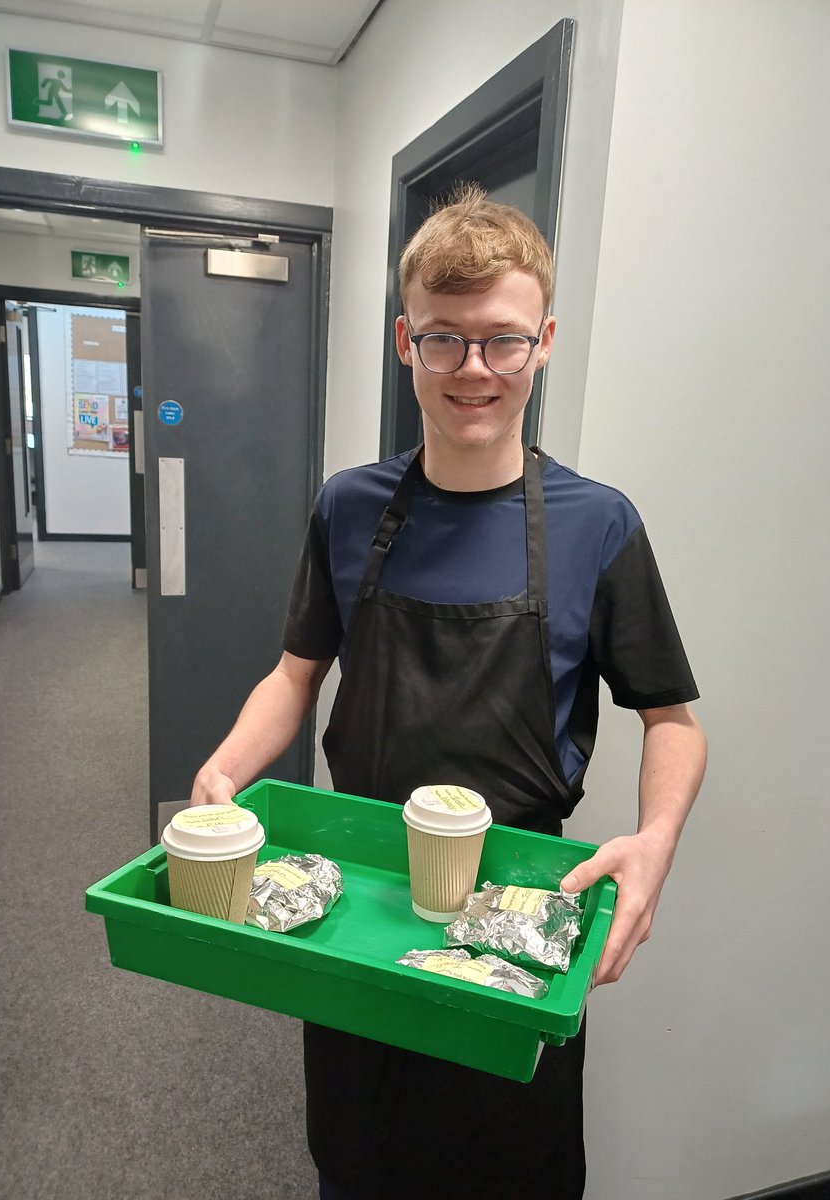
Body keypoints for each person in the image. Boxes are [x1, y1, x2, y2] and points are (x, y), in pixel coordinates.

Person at [191, 185, 707, 1200]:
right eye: (443, 340)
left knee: (508, 1164)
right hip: (361, 898)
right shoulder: (349, 508)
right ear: (404, 340)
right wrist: (225, 766)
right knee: (360, 1155)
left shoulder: (599, 526)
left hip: (522, 902)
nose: (474, 370)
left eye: (503, 341)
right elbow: (296, 673)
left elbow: (671, 720)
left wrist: (655, 843)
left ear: (544, 341)